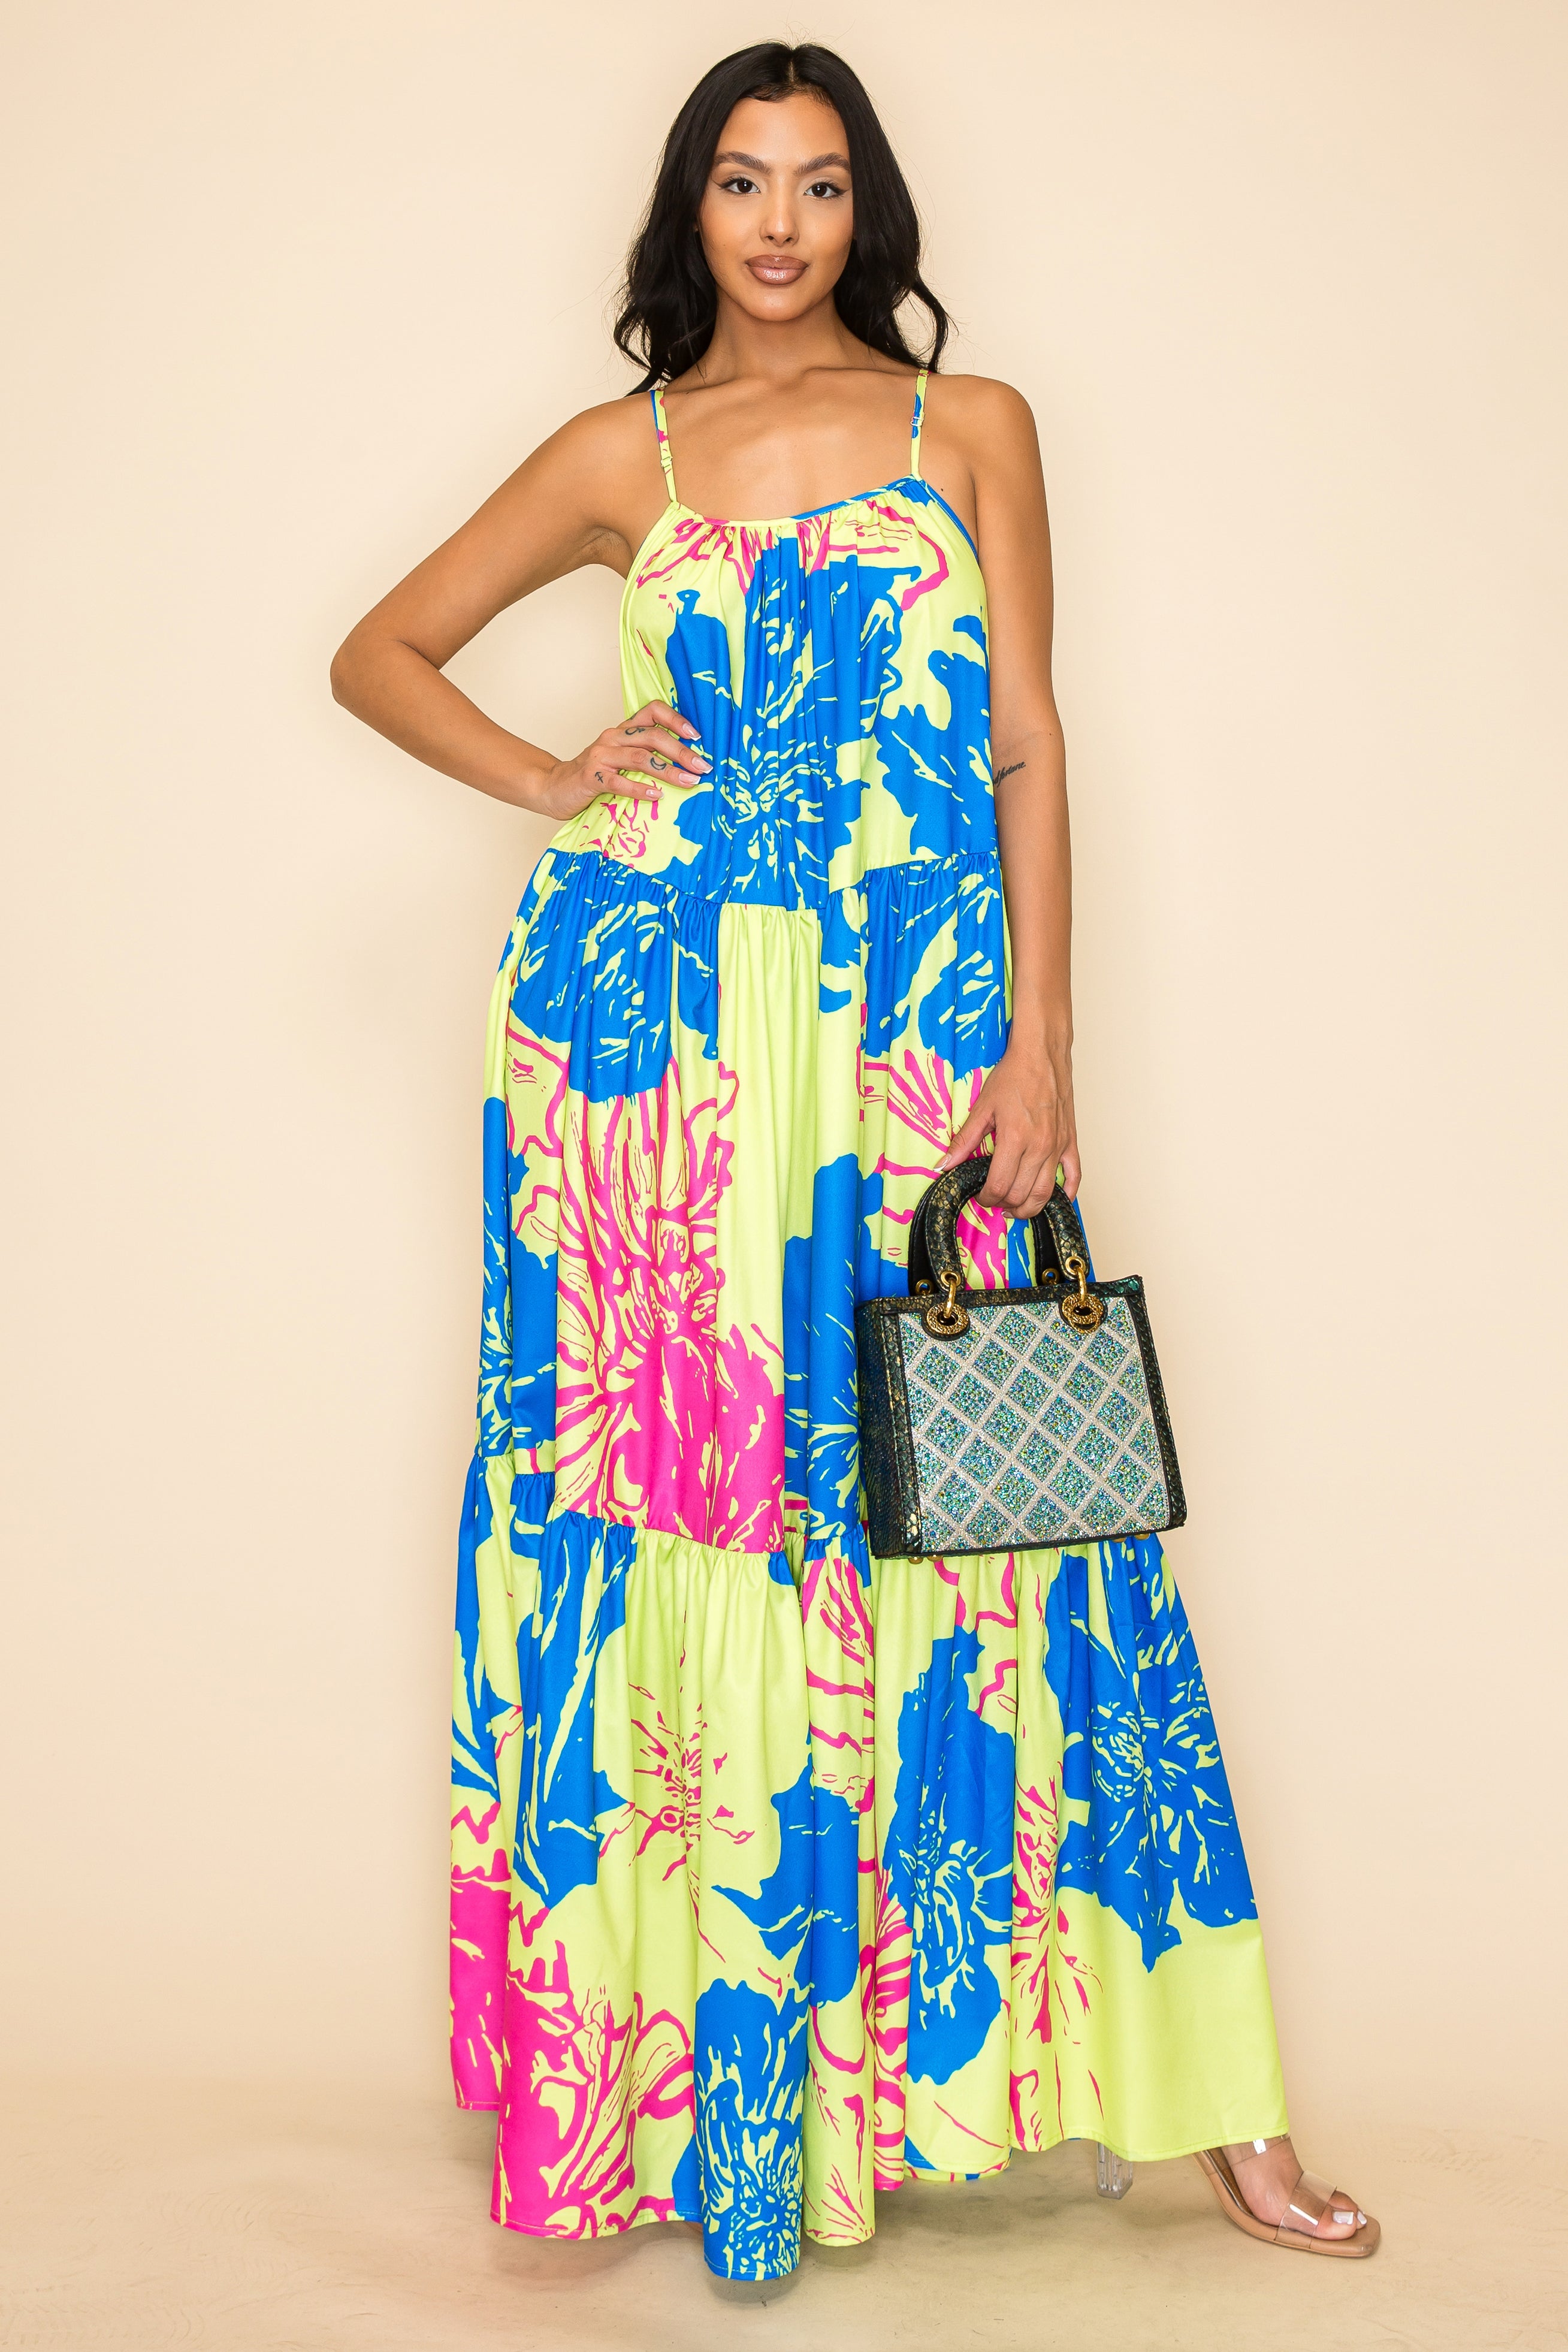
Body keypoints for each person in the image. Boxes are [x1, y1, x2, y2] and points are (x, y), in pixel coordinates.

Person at [330, 39, 1377, 2282]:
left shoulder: (967, 428)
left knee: (1009, 1515)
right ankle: (706, 2107)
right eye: (740, 180)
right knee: (684, 1509)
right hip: (654, 1070)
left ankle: (1207, 2109)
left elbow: (1022, 745)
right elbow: (376, 650)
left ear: (865, 206)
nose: (782, 221)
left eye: (817, 181)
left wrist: (1048, 1050)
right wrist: (551, 778)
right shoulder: (623, 453)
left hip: (909, 1061)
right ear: (687, 212)